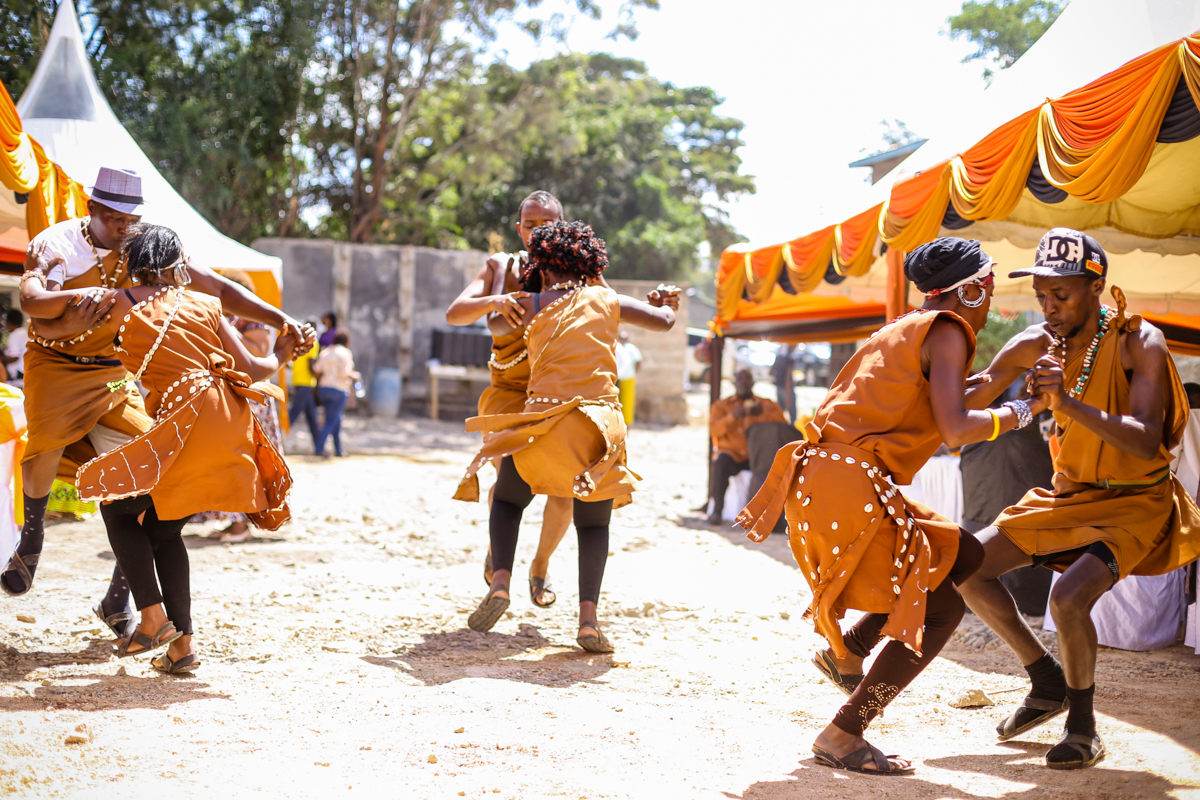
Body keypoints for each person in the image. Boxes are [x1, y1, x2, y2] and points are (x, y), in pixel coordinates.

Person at [737, 237, 1047, 775]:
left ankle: (852, 649)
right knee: (944, 604)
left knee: (963, 558)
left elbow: (945, 399)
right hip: (850, 482)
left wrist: (1002, 374)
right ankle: (844, 732)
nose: (992, 293)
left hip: (825, 479)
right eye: (988, 284)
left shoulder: (903, 328)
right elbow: (953, 425)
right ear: (969, 288)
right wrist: (1022, 409)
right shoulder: (949, 330)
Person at [2, 165, 314, 611]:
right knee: (47, 444)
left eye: (133, 220)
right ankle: (31, 538)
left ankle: (119, 598)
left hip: (112, 373)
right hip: (56, 365)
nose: (126, 229)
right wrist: (76, 302)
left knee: (148, 471)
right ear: (92, 209)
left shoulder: (148, 252)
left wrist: (282, 320)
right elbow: (32, 303)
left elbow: (222, 288)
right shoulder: (56, 243)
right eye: (115, 219)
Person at [958, 228, 1200, 770]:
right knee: (969, 566)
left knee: (1068, 598)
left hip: (1135, 502)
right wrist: (927, 365)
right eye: (1042, 295)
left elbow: (1143, 437)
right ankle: (1045, 681)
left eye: (1060, 295)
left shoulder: (1141, 342)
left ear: (1097, 287)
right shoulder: (1034, 343)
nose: (1049, 307)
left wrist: (1065, 399)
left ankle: (1084, 727)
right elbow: (972, 396)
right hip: (1068, 499)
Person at [69, 223, 300, 674]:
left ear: (132, 267)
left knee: (116, 510)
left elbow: (69, 340)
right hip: (227, 418)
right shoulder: (205, 303)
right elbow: (254, 369)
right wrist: (286, 350)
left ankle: (153, 618)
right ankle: (183, 646)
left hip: (182, 419)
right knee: (166, 528)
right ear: (180, 267)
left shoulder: (120, 304)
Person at [445, 189, 679, 606]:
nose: (538, 232)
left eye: (547, 225)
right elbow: (457, 312)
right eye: (530, 225)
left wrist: (646, 308)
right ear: (518, 229)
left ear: (561, 226)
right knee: (512, 478)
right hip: (511, 394)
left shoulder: (574, 274)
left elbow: (609, 303)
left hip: (560, 396)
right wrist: (495, 301)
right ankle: (503, 564)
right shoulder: (504, 268)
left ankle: (538, 566)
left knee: (566, 487)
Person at [192, 269, 287, 543]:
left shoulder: (248, 320)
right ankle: (233, 520)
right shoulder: (218, 316)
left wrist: (228, 330)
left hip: (249, 398)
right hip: (228, 397)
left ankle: (240, 525)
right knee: (228, 459)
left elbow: (258, 351)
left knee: (244, 460)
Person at [706, 368, 787, 525]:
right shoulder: (722, 406)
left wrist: (762, 414)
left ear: (753, 382)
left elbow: (782, 426)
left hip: (758, 457)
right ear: (734, 383)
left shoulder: (766, 405)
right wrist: (732, 416)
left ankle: (766, 517)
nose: (743, 381)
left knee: (776, 467)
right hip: (734, 455)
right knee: (721, 462)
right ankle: (717, 511)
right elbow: (714, 430)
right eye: (740, 378)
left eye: (747, 378)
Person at [312, 330, 356, 458]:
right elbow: (345, 373)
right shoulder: (345, 353)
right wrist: (355, 376)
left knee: (336, 419)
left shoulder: (326, 352)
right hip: (338, 390)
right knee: (331, 421)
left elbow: (316, 369)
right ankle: (319, 448)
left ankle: (338, 449)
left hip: (324, 389)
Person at [288, 319, 321, 446]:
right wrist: (319, 377)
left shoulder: (298, 340)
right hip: (306, 381)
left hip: (297, 380)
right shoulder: (313, 341)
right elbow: (310, 363)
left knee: (311, 414)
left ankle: (319, 445)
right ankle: (278, 434)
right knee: (295, 411)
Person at [614, 331, 642, 426]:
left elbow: (638, 361)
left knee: (627, 401)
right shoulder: (618, 347)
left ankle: (627, 423)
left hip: (628, 378)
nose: (622, 340)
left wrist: (634, 373)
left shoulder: (630, 348)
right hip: (619, 378)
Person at [1, 309, 29, 387]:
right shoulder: (26, 333)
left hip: (18, 375)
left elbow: (14, 357)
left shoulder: (14, 335)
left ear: (9, 322)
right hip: (28, 373)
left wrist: (1, 359)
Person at [772, 344, 796, 424]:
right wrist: (788, 396)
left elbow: (771, 371)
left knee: (780, 412)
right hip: (786, 389)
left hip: (779, 387)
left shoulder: (779, 355)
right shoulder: (789, 358)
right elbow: (788, 378)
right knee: (792, 416)